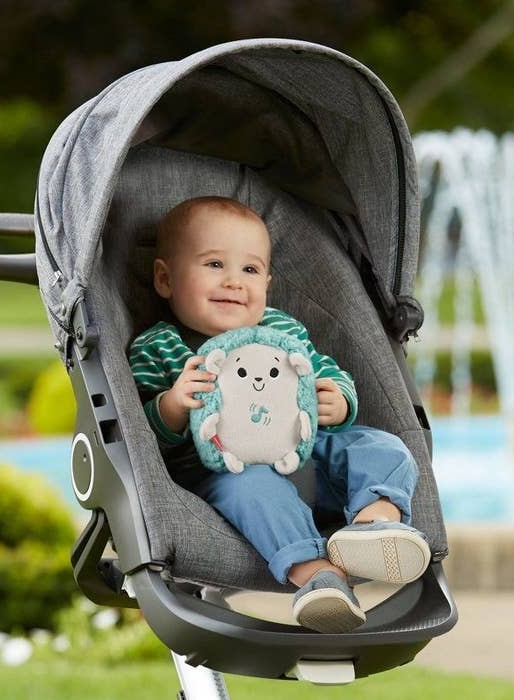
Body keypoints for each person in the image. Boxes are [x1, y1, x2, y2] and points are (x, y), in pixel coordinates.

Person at [129, 196, 430, 633]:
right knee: (255, 492)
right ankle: (320, 577)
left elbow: (323, 370)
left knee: (384, 445)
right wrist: (174, 404)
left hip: (306, 450)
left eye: (249, 270)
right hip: (227, 470)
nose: (234, 282)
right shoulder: (160, 347)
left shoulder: (281, 330)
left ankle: (373, 522)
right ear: (165, 278)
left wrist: (338, 400)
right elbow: (143, 432)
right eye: (214, 265)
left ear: (267, 282)